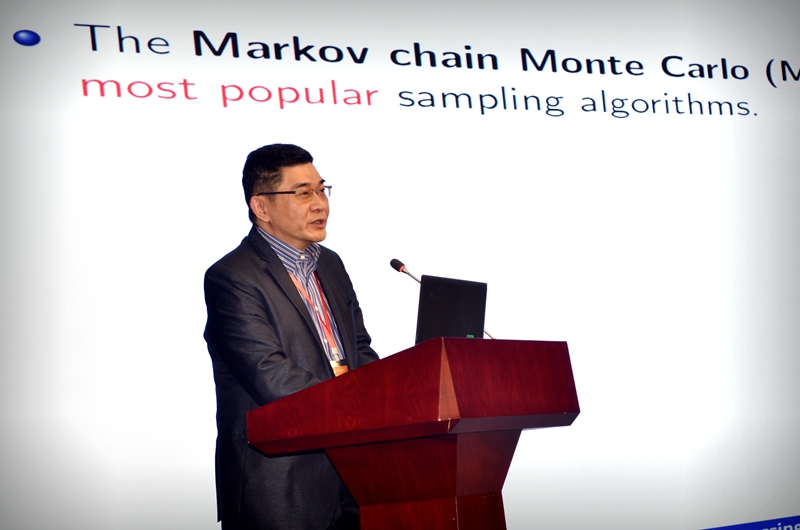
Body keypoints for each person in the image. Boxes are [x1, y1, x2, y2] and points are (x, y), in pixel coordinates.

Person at [203, 144, 379, 529]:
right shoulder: (232, 277)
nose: (319, 204)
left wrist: (388, 395)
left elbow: (359, 349)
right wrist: (358, 407)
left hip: (353, 476)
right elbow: (272, 376)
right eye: (302, 193)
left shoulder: (330, 263)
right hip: (281, 487)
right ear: (261, 207)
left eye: (321, 189)